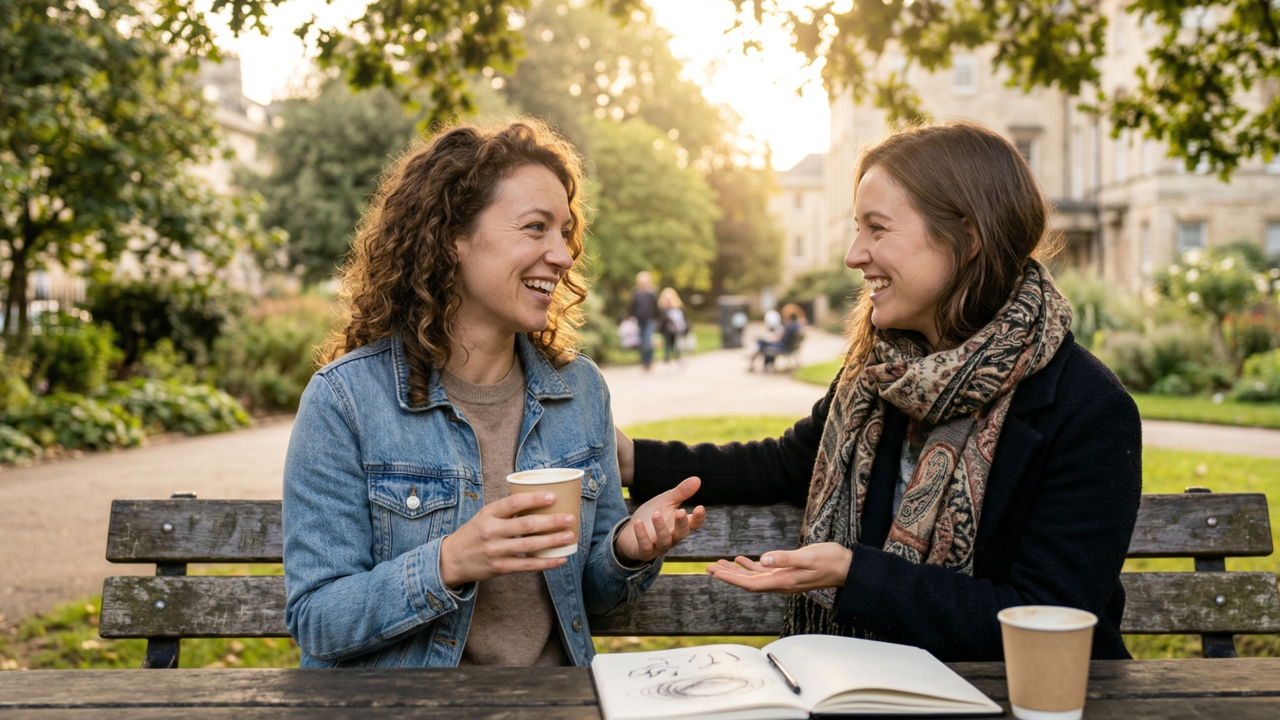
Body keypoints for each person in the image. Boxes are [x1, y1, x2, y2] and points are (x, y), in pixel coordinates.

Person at [615, 121, 1142, 662]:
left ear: (967, 237)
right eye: (857, 228)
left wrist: (856, 575)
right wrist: (632, 460)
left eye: (877, 229)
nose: (853, 254)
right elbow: (785, 463)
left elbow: (1051, 619)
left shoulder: (1088, 408)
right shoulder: (883, 374)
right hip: (872, 682)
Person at [282, 119, 706, 669]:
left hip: (553, 700)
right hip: (410, 705)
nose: (563, 255)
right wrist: (449, 562)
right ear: (451, 238)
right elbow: (317, 619)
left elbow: (591, 597)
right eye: (535, 227)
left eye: (564, 232)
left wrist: (628, 549)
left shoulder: (580, 391)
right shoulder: (346, 400)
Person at [752, 304, 805, 371]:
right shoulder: (796, 325)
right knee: (764, 343)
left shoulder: (791, 326)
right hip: (788, 346)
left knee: (763, 343)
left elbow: (785, 339)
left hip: (785, 347)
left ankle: (756, 357)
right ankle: (763, 360)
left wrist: (777, 338)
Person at [628, 271, 658, 371]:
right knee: (641, 342)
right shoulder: (636, 292)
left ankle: (649, 361)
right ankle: (644, 361)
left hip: (650, 320)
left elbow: (656, 307)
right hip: (639, 320)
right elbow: (632, 306)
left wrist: (657, 320)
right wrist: (631, 316)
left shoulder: (652, 293)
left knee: (647, 341)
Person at [657, 287, 689, 367]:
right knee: (667, 344)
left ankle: (677, 358)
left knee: (676, 344)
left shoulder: (678, 307)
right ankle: (667, 359)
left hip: (676, 329)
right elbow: (660, 319)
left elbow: (684, 318)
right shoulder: (662, 308)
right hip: (666, 329)